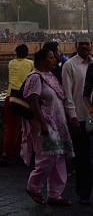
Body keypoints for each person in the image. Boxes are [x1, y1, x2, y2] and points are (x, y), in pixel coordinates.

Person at [21, 48, 73, 206]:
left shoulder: (50, 76)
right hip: (44, 124)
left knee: (59, 158)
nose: (54, 59)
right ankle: (33, 186)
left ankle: (55, 194)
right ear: (43, 60)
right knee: (48, 157)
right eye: (51, 57)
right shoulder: (35, 77)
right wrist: (43, 124)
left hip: (57, 124)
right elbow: (33, 101)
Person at [62, 39, 93, 205]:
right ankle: (83, 193)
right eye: (81, 44)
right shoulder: (69, 66)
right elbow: (67, 94)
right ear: (76, 45)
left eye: (87, 44)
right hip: (79, 118)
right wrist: (72, 117)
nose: (84, 46)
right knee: (82, 159)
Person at [0, 44, 34, 166]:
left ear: (16, 53)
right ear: (27, 53)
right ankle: (20, 153)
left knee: (9, 127)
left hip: (10, 96)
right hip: (23, 98)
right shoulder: (31, 64)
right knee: (23, 128)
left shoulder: (11, 63)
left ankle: (6, 153)